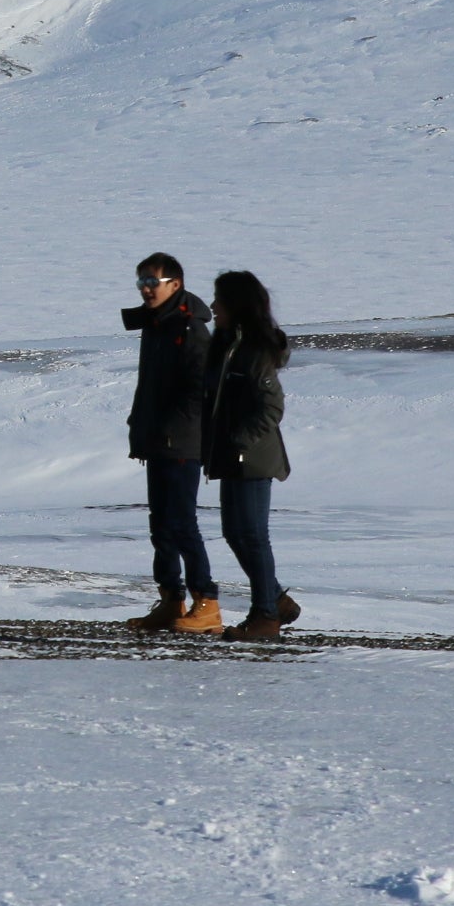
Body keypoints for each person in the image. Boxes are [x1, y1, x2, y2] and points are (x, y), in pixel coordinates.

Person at [122, 253, 219, 634]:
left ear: (174, 285)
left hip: (181, 442)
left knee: (182, 524)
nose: (146, 288)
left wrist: (170, 424)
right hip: (157, 440)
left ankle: (206, 602)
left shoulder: (190, 328)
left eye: (153, 281)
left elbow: (200, 386)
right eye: (141, 281)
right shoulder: (156, 325)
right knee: (160, 525)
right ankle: (170, 600)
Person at [204, 269, 300, 640]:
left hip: (252, 457)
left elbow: (271, 407)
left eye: (220, 300)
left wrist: (239, 441)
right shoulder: (227, 346)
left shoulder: (253, 350)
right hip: (231, 456)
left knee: (252, 535)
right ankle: (273, 599)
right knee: (236, 533)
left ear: (237, 305)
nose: (214, 307)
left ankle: (266, 616)